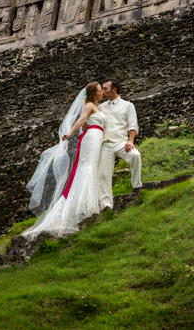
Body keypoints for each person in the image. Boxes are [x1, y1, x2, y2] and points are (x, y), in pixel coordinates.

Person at [22, 82, 108, 240]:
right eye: (99, 90)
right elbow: (81, 120)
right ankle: (85, 206)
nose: (102, 92)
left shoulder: (98, 105)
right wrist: (70, 133)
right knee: (87, 167)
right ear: (93, 94)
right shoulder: (89, 105)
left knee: (91, 167)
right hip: (91, 139)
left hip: (96, 137)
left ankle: (87, 202)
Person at [97, 78, 142, 210]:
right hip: (105, 144)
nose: (103, 91)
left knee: (135, 156)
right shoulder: (100, 107)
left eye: (105, 88)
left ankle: (136, 186)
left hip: (121, 142)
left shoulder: (128, 105)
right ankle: (106, 206)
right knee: (104, 175)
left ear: (114, 90)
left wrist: (130, 141)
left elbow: (133, 124)